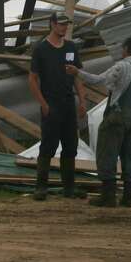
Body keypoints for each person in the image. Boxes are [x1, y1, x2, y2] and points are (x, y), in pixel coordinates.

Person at [66, 35, 131, 208]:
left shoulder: (121, 67)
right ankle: (129, 197)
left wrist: (77, 72)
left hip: (117, 116)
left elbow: (98, 80)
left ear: (126, 49)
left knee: (107, 153)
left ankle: (108, 196)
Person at [29, 13, 87, 200]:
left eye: (66, 24)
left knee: (71, 145)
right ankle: (41, 187)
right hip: (51, 103)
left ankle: (68, 187)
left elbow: (77, 75)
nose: (64, 27)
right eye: (61, 24)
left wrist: (82, 100)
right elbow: (32, 78)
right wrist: (43, 104)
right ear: (52, 24)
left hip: (68, 103)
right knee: (48, 145)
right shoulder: (41, 49)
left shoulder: (71, 47)